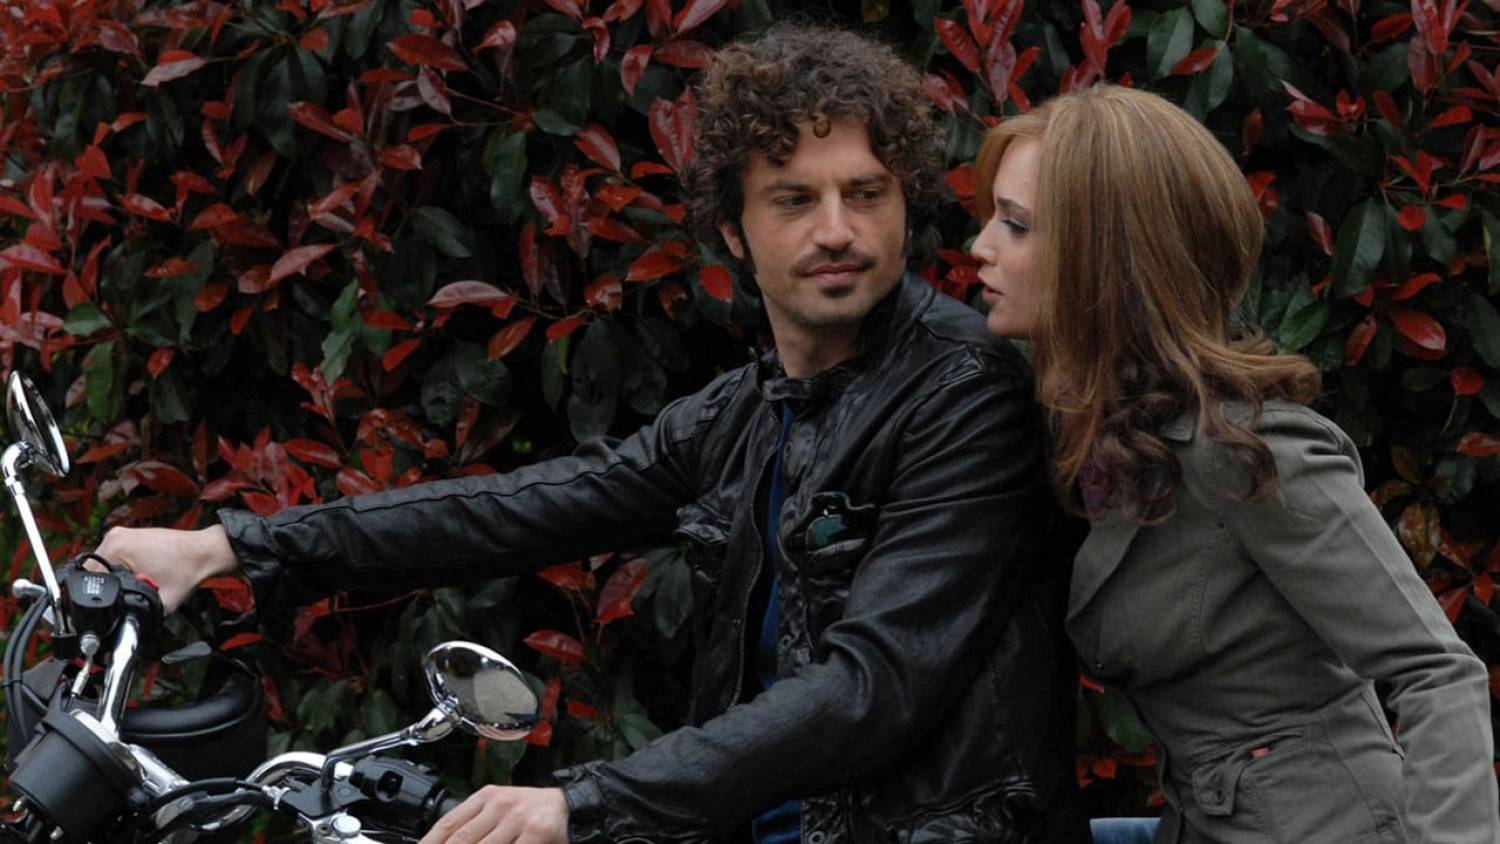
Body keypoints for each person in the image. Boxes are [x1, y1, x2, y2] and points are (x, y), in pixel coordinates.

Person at [98, 25, 1089, 844]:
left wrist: (582, 802)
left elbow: (875, 684)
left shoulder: (964, 392)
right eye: (795, 199)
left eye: (865, 194)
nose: (838, 229)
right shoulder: (752, 412)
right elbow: (528, 506)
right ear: (733, 232)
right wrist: (226, 546)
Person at [967, 83, 1499, 843]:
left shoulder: (1248, 452)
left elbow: (1438, 671)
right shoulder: (1096, 433)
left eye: (1016, 225)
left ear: (1105, 257)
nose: (980, 246)